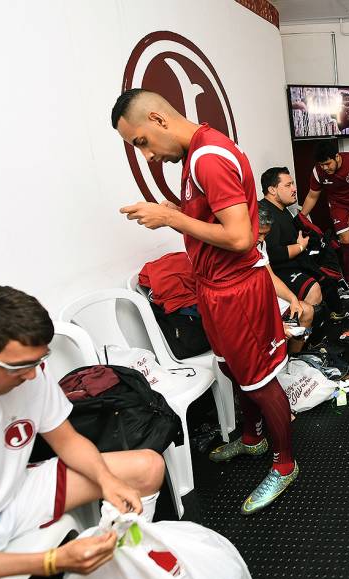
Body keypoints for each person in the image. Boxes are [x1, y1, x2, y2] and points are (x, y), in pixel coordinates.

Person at [112, 88, 298, 514]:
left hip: (237, 288)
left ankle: (284, 463)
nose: (147, 156)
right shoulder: (196, 152)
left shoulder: (207, 157)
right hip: (214, 287)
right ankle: (251, 438)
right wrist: (179, 212)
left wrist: (172, 217)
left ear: (158, 119)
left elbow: (240, 237)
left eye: (141, 142)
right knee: (233, 369)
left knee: (260, 380)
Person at [0, 286, 165, 579]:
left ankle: (128, 569)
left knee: (147, 468)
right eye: (18, 367)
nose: (32, 375)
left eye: (40, 360)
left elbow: (68, 440)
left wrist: (106, 480)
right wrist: (49, 561)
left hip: (14, 495)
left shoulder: (28, 374)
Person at [259, 166, 349, 312]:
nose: (294, 189)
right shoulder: (266, 214)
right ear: (272, 190)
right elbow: (273, 254)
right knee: (313, 289)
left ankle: (334, 310)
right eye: (288, 185)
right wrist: (300, 247)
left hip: (294, 262)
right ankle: (302, 330)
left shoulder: (283, 209)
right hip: (277, 271)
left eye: (293, 184)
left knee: (326, 260)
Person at [301, 140, 349, 281]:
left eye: (328, 164)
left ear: (337, 157)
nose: (325, 168)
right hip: (338, 205)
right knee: (346, 237)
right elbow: (312, 196)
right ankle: (346, 276)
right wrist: (302, 216)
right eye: (321, 165)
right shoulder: (318, 171)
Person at [256, 203, 314, 354]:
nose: (262, 239)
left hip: (263, 296)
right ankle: (277, 365)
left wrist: (293, 298)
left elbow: (270, 275)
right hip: (248, 306)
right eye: (259, 233)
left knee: (306, 310)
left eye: (265, 235)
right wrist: (275, 323)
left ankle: (294, 359)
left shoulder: (260, 244)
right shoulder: (237, 250)